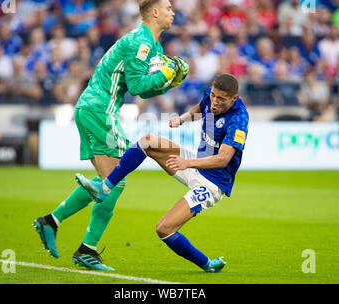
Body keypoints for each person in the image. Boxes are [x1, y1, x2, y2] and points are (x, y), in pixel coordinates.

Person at [33, 0, 187, 271]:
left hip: (92, 107)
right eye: (168, 8)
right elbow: (139, 87)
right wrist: (167, 73)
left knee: (107, 180)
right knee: (116, 180)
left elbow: (143, 88)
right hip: (100, 108)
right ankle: (86, 250)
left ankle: (51, 222)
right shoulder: (141, 42)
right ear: (154, 13)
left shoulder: (150, 43)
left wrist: (170, 82)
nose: (173, 12)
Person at [76, 74, 249, 272]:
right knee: (148, 141)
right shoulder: (211, 95)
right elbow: (201, 109)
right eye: (214, 96)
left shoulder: (239, 119)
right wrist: (183, 119)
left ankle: (207, 264)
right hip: (193, 164)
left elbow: (223, 159)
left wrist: (187, 162)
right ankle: (104, 188)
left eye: (221, 99)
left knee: (164, 229)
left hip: (211, 184)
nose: (215, 102)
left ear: (234, 98)